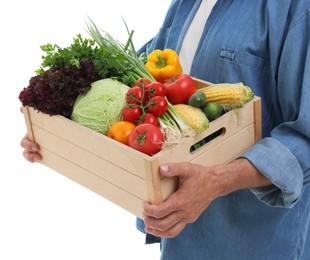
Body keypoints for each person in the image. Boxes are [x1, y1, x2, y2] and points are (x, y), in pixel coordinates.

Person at [21, 0, 310, 259]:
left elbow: (305, 137)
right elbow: (142, 75)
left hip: (254, 242)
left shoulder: (294, 8)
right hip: (179, 234)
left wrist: (218, 180)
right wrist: (58, 129)